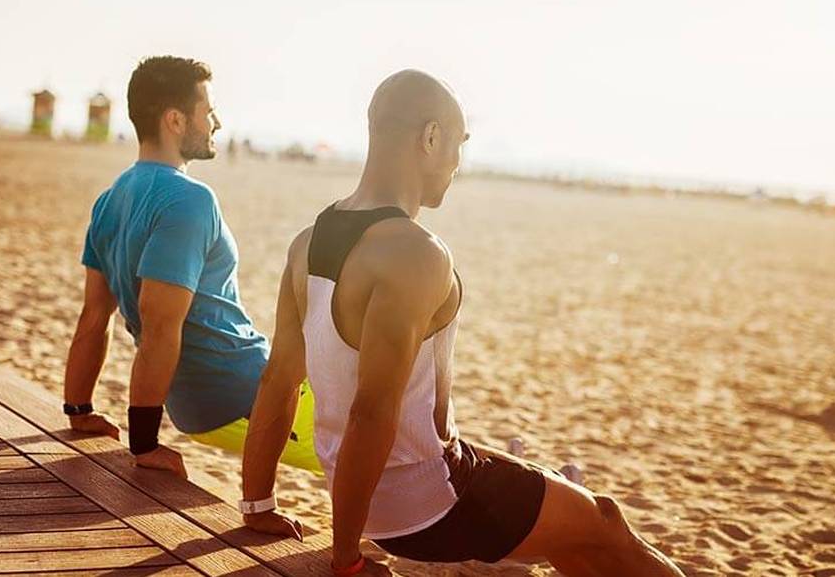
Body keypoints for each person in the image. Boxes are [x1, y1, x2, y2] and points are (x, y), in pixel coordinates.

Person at [239, 70, 684, 576]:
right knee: (604, 520)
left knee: (572, 533)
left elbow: (279, 380)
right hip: (429, 502)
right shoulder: (415, 253)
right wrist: (346, 562)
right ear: (430, 137)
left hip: (376, 489)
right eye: (458, 144)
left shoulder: (307, 242)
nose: (456, 164)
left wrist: (257, 506)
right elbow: (372, 412)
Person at [62, 55, 319, 476]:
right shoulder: (189, 200)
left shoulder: (111, 199)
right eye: (209, 112)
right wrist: (144, 447)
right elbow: (160, 324)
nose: (217, 123)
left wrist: (79, 408)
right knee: (390, 441)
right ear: (175, 121)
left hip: (198, 404)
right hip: (243, 394)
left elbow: (94, 316)